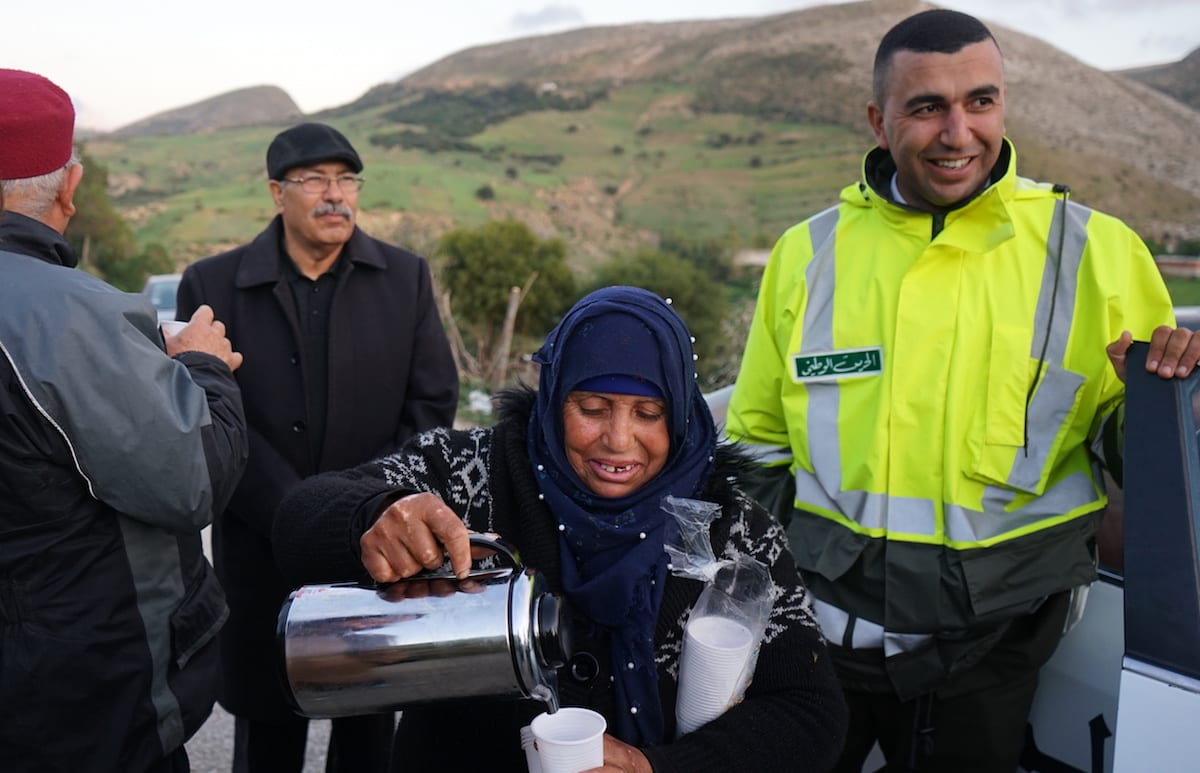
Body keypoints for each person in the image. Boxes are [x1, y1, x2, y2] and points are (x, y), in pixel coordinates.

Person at [724, 9, 1200, 772]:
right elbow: (754, 446)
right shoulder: (806, 255)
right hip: (824, 647)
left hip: (992, 654)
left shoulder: (1099, 254)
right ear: (879, 121)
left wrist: (1181, 402)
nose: (958, 131)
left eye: (980, 101)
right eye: (926, 107)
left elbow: (1138, 446)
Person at [272, 285, 849, 772]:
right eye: (593, 408)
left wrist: (659, 766)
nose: (619, 441)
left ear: (682, 411)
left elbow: (809, 711)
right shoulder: (472, 477)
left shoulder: (730, 530)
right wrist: (373, 514)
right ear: (554, 400)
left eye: (650, 415)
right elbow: (299, 519)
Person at [177, 121, 459, 773]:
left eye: (346, 180)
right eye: (314, 181)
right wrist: (302, 514)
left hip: (379, 556)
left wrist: (365, 509)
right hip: (263, 557)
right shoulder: (211, 285)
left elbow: (431, 405)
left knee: (367, 738)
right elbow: (213, 417)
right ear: (278, 193)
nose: (335, 195)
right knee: (267, 740)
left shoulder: (405, 278)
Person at [0, 69, 248, 772]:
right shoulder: (70, 317)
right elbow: (191, 479)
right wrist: (203, 367)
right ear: (70, 186)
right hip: (77, 708)